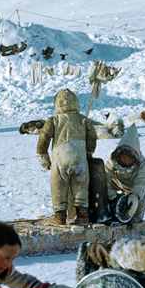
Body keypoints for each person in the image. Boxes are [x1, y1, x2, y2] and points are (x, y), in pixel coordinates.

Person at [37, 89, 97, 225]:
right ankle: (82, 216)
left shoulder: (54, 120)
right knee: (81, 187)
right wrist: (89, 151)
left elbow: (44, 137)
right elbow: (92, 137)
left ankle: (60, 217)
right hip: (79, 158)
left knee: (58, 186)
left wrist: (43, 153)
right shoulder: (84, 120)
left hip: (60, 158)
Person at [104, 123, 145, 222]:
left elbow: (141, 182)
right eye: (123, 157)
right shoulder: (113, 160)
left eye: (129, 158)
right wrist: (109, 192)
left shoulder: (142, 164)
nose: (126, 160)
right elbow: (105, 177)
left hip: (132, 186)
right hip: (116, 183)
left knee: (136, 207)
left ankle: (136, 221)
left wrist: (135, 196)